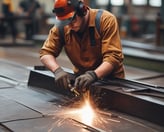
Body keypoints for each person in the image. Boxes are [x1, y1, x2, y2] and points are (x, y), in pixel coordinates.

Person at [39, 0, 125, 93]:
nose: (70, 25)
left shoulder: (105, 20)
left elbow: (113, 57)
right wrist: (57, 70)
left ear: (82, 10)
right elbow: (46, 53)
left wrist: (94, 75)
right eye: (66, 22)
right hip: (81, 81)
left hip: (111, 82)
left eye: (73, 20)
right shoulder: (62, 27)